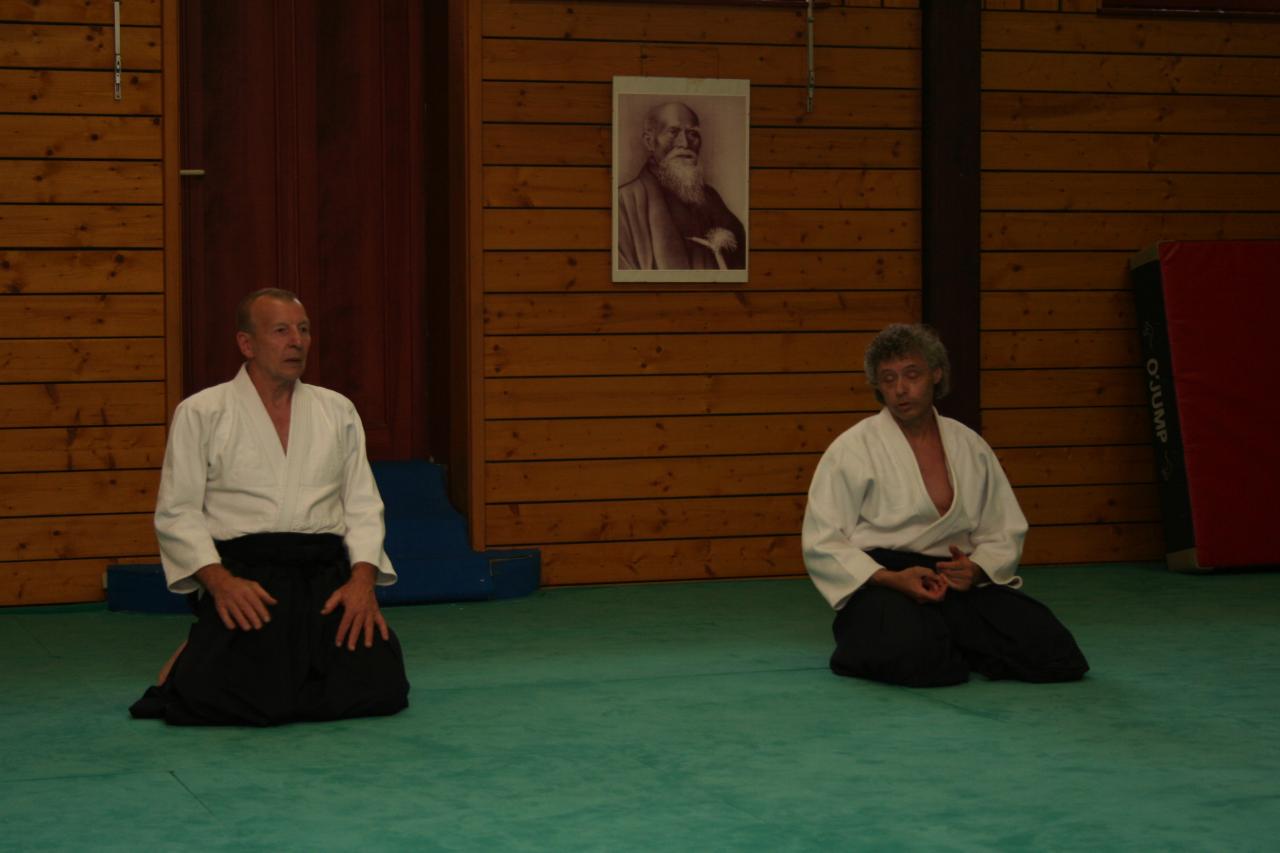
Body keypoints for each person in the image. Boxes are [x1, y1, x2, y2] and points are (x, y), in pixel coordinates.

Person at [130, 288, 410, 725]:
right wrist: (220, 584)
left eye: (304, 330)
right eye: (281, 331)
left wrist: (362, 582)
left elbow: (362, 505)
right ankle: (196, 646)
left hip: (324, 574)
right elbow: (177, 512)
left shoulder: (337, 410)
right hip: (248, 578)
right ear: (247, 343)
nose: (296, 341)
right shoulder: (202, 412)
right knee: (232, 701)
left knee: (381, 689)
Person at [802, 324, 1089, 687]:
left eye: (912, 374)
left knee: (1055, 652)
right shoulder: (852, 449)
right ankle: (932, 638)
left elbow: (1002, 528)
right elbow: (823, 540)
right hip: (883, 582)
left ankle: (947, 636)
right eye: (888, 379)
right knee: (920, 659)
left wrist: (978, 570)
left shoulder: (969, 445)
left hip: (953, 579)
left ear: (936, 374)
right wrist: (889, 578)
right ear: (878, 386)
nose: (900, 389)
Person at [616, 102, 747, 271]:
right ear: (649, 142)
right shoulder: (624, 201)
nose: (685, 143)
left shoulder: (710, 198)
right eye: (673, 132)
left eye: (693, 134)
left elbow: (742, 258)